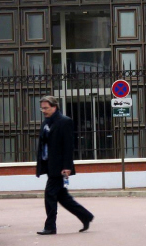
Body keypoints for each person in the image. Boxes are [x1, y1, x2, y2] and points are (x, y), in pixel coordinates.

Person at [35, 95, 94, 235]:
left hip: (60, 166)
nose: (43, 111)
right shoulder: (46, 123)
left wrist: (67, 167)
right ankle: (85, 216)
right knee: (62, 196)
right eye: (42, 108)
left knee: (50, 194)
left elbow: (68, 146)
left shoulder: (65, 122)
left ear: (54, 107)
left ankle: (50, 227)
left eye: (46, 108)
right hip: (49, 165)